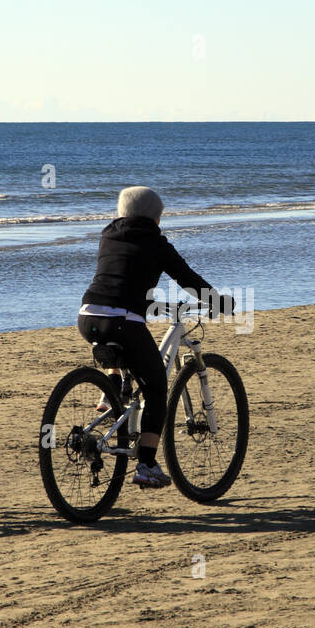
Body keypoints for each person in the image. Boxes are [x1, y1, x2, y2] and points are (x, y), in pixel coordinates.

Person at [78, 186, 234, 488]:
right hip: (122, 320)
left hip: (88, 316)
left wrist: (150, 304)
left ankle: (113, 387)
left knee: (124, 350)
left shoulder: (107, 235)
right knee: (157, 389)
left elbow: (121, 279)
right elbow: (186, 278)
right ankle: (147, 464)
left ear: (120, 213)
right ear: (156, 219)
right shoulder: (156, 243)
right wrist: (218, 300)